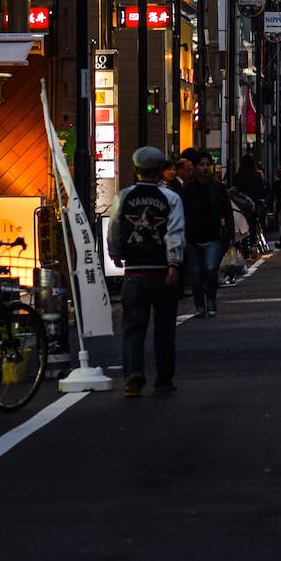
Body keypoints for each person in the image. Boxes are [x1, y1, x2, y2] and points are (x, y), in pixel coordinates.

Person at [104, 146, 186, 397]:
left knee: (133, 327)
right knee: (165, 328)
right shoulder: (170, 198)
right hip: (162, 271)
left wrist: (115, 253)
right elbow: (175, 232)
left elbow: (114, 228)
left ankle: (133, 377)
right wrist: (174, 264)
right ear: (160, 170)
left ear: (135, 168)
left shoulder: (123, 196)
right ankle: (164, 379)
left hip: (134, 272)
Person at [179, 147, 230, 318]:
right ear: (194, 167)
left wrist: (229, 234)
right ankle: (200, 306)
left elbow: (227, 212)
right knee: (196, 274)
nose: (205, 168)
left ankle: (211, 301)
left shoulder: (218, 187)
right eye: (201, 165)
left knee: (210, 269)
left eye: (208, 164)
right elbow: (181, 213)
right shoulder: (187, 189)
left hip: (213, 236)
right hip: (192, 238)